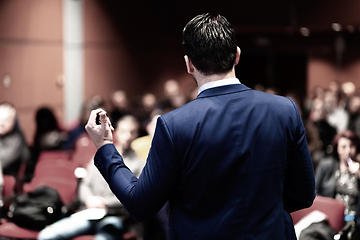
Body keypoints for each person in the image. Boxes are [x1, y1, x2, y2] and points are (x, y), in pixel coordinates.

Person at [85, 13, 315, 239]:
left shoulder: (174, 125)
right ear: (237, 55)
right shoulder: (285, 110)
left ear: (189, 64)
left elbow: (140, 204)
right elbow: (303, 195)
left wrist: (105, 147)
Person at [37, 115, 144, 240]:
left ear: (137, 134)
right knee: (45, 236)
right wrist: (89, 199)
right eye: (123, 131)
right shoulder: (102, 155)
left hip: (115, 215)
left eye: (132, 132)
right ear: (116, 132)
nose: (127, 136)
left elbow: (135, 195)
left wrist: (105, 203)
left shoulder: (139, 164)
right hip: (89, 212)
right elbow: (85, 183)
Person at [315, 130, 360, 219]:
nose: (348, 151)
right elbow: (315, 191)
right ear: (337, 148)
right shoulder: (327, 165)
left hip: (352, 217)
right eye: (343, 147)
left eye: (352, 146)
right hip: (330, 214)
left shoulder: (358, 167)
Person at [0, 102, 31, 177]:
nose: (2, 123)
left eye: (6, 120)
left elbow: (2, 162)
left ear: (13, 122)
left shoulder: (16, 140)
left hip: (7, 179)